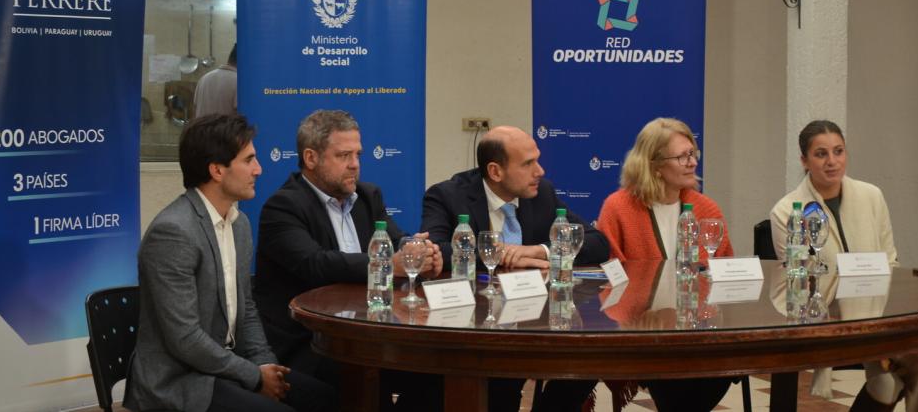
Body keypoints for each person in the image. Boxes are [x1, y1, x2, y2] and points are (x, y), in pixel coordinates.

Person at [125, 114, 336, 412]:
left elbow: (246, 308)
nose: (259, 169)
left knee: (326, 398)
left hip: (224, 369)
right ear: (217, 170)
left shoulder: (239, 224)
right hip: (180, 381)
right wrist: (253, 376)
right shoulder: (173, 232)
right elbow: (185, 339)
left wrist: (266, 365)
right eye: (249, 160)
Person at [254, 109, 443, 411]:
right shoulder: (284, 206)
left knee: (436, 373)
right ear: (311, 158)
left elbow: (397, 242)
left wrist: (420, 254)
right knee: (366, 377)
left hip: (372, 334)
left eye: (358, 154)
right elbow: (316, 265)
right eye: (343, 156)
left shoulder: (367, 197)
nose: (355, 165)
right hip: (312, 342)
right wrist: (385, 265)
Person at [421, 125, 609, 412]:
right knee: (497, 389)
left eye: (537, 159)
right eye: (528, 163)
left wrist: (539, 250)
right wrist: (502, 254)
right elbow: (436, 252)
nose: (540, 171)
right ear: (495, 172)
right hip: (472, 329)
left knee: (585, 365)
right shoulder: (447, 196)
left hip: (535, 322)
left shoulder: (542, 194)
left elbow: (597, 242)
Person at [596, 117, 733, 412]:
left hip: (699, 331)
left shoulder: (706, 208)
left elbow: (725, 271)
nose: (692, 162)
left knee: (725, 367)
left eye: (693, 154)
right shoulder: (618, 207)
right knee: (677, 378)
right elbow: (609, 276)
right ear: (654, 164)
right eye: (682, 156)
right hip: (643, 331)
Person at [770, 119, 907, 411]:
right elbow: (801, 280)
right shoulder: (786, 210)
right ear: (804, 160)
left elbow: (890, 261)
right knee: (909, 366)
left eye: (839, 151)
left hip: (874, 313)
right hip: (822, 320)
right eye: (821, 154)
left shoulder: (872, 195)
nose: (832, 162)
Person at [194, 43, 237, 117]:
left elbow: (195, 107)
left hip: (201, 128)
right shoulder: (240, 82)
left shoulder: (204, 78)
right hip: (225, 128)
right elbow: (241, 117)